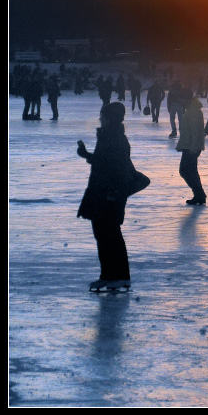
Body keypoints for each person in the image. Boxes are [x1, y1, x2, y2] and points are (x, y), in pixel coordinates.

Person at [76, 102, 134, 291]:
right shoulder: (109, 137)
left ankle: (119, 276)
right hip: (101, 192)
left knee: (110, 236)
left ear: (111, 118)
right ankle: (110, 275)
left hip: (109, 194)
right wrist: (86, 155)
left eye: (103, 116)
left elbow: (120, 169)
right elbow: (103, 163)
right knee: (103, 235)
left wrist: (114, 194)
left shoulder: (116, 139)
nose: (100, 118)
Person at [176, 91, 207, 205]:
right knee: (191, 171)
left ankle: (199, 193)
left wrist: (193, 147)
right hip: (190, 145)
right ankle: (199, 194)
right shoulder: (191, 110)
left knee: (185, 171)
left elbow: (195, 131)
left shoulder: (193, 111)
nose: (180, 103)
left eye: (181, 100)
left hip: (191, 146)